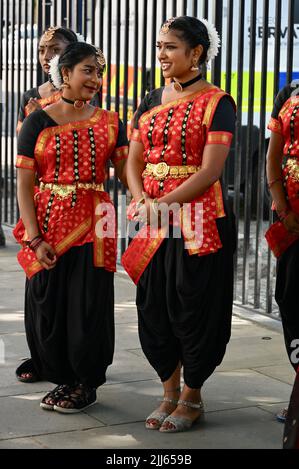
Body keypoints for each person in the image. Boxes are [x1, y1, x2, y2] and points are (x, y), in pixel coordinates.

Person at [122, 16, 236, 433]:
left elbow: (210, 171)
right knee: (154, 305)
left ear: (197, 53)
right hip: (153, 217)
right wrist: (139, 198)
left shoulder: (218, 102)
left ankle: (192, 394)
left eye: (170, 46)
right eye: (160, 45)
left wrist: (164, 203)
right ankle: (167, 389)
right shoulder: (150, 98)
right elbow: (134, 158)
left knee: (195, 305)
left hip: (200, 219)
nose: (162, 54)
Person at [13, 42, 128, 413]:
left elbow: (129, 175)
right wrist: (34, 237)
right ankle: (58, 370)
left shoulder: (111, 123)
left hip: (96, 227)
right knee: (47, 304)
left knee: (88, 305)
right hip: (48, 226)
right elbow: (24, 185)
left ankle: (85, 382)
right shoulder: (37, 121)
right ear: (65, 73)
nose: (95, 79)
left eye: (99, 71)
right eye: (87, 71)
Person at [15, 26, 101, 383]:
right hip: (42, 199)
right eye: (43, 49)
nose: (47, 55)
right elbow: (27, 159)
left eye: (56, 48)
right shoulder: (34, 102)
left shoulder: (88, 99)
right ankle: (43, 356)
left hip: (82, 209)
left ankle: (75, 368)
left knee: (78, 295)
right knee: (42, 290)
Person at [266, 79, 299, 423]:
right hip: (291, 223)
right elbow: (274, 155)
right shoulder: (290, 91)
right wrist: (283, 209)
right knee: (290, 300)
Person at [17, 26, 80, 135]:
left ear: (71, 53)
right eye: (41, 51)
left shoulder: (84, 94)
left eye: (55, 50)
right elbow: (23, 142)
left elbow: (85, 137)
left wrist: (40, 117)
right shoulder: (30, 97)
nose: (46, 56)